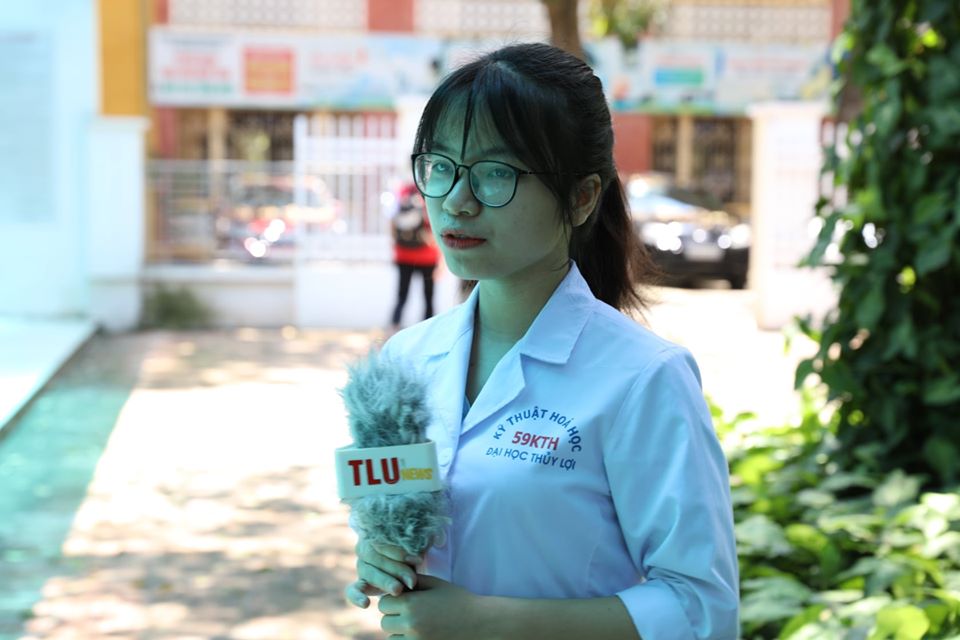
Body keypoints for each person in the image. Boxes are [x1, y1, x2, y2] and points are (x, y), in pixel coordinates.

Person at [346, 42, 739, 639]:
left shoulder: (644, 378)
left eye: (496, 173)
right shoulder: (405, 361)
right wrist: (380, 554)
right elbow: (398, 517)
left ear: (581, 197)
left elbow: (702, 610)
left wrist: (488, 623)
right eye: (440, 165)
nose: (456, 200)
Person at [389, 183, 440, 331]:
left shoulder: (403, 191)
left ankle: (393, 328)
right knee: (428, 297)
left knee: (402, 295)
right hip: (427, 257)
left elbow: (392, 223)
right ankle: (428, 330)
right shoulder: (431, 191)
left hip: (403, 256)